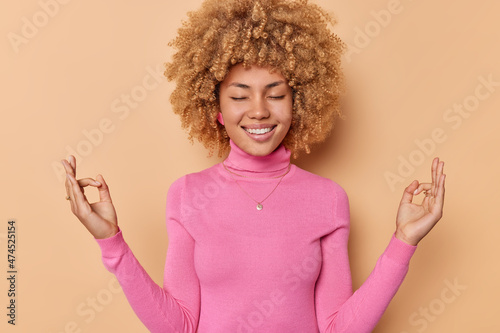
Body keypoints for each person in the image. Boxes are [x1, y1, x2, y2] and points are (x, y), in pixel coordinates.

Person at [61, 0, 446, 332]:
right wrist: (111, 241)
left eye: (276, 94)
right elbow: (179, 325)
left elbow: (337, 327)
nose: (259, 110)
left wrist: (403, 243)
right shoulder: (187, 196)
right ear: (216, 108)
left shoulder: (328, 200)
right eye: (240, 96)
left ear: (299, 104)